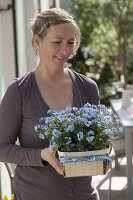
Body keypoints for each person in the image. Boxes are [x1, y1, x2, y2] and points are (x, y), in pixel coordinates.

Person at [0, 8, 115, 200]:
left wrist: (106, 153)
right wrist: (42, 155)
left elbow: (101, 140)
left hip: (84, 195)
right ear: (37, 41)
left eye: (71, 42)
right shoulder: (19, 91)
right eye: (57, 42)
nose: (65, 50)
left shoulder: (87, 87)